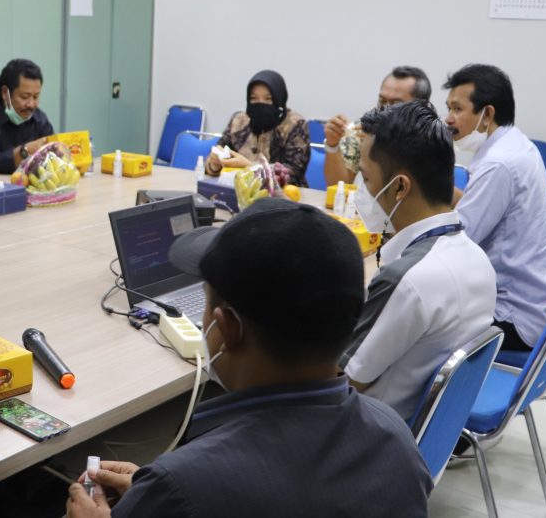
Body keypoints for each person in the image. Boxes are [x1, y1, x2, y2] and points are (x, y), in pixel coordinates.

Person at [66, 198, 432, 518]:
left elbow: (197, 493)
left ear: (226, 328)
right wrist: (155, 497)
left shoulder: (183, 488)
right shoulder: (397, 439)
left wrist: (161, 496)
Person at [336, 101, 496, 420]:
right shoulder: (477, 259)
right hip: (421, 429)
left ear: (399, 187)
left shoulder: (408, 280)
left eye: (365, 179)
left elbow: (341, 382)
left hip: (368, 431)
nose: (361, 191)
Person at [445, 64, 546, 351]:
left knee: (416, 325)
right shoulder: (518, 145)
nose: (448, 119)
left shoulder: (499, 164)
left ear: (487, 114)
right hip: (539, 303)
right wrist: (434, 186)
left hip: (512, 316)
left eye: (457, 109)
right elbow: (480, 209)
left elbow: (458, 242)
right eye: (448, 108)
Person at [323, 66, 432, 185]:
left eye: (396, 104)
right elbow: (339, 185)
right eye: (382, 101)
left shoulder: (433, 138)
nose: (385, 109)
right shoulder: (364, 130)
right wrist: (332, 145)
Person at [205, 70, 310, 186]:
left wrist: (249, 167)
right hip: (240, 191)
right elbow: (216, 156)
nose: (260, 104)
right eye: (254, 98)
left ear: (279, 99)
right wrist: (214, 165)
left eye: (268, 99)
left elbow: (293, 174)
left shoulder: (295, 124)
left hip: (286, 195)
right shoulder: (239, 121)